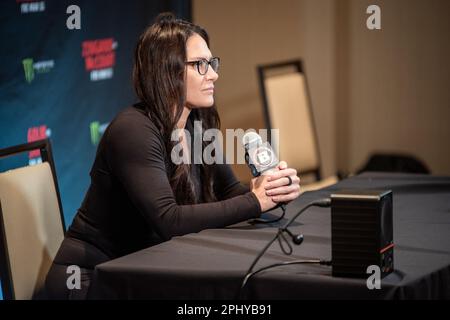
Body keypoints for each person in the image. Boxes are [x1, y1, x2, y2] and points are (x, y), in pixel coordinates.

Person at [44, 12, 301, 299]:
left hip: (143, 271)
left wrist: (269, 190)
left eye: (212, 63)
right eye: (200, 65)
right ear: (167, 70)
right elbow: (169, 220)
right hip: (93, 278)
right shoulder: (133, 130)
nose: (213, 74)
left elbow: (230, 192)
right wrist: (254, 201)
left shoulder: (197, 123)